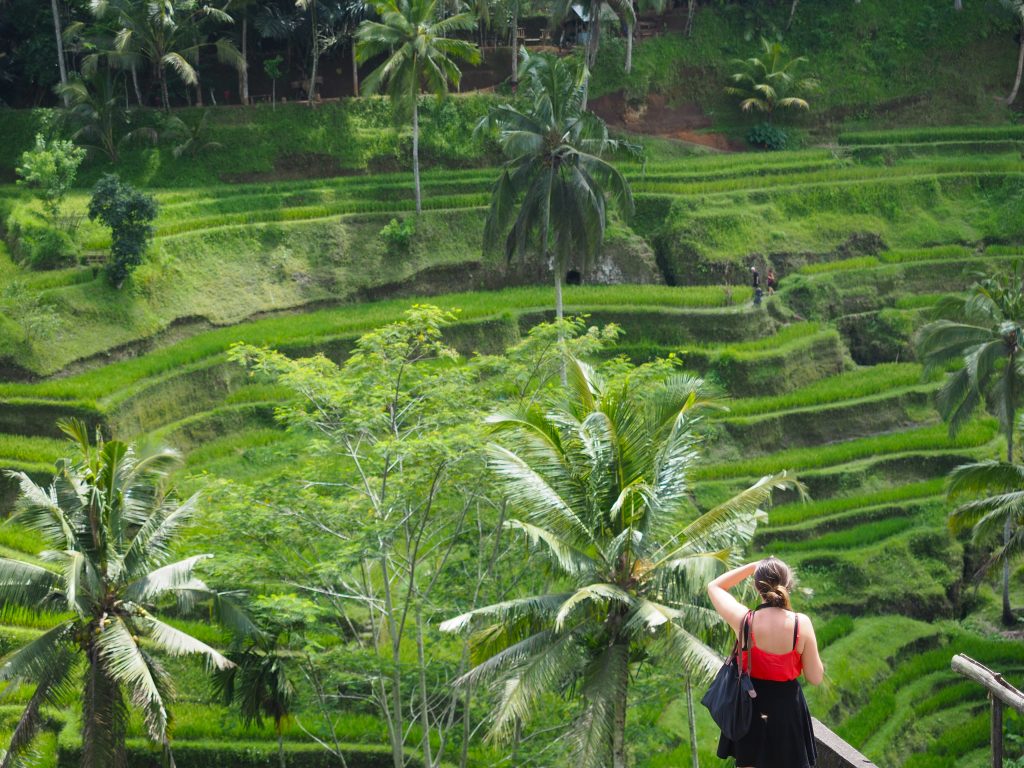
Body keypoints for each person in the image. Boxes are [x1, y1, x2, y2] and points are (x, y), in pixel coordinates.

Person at [707, 558, 824, 768]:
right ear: (788, 585)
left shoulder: (744, 620)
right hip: (788, 711)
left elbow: (714, 586)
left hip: (750, 708)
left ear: (756, 586)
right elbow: (815, 678)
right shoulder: (801, 623)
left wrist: (753, 566)